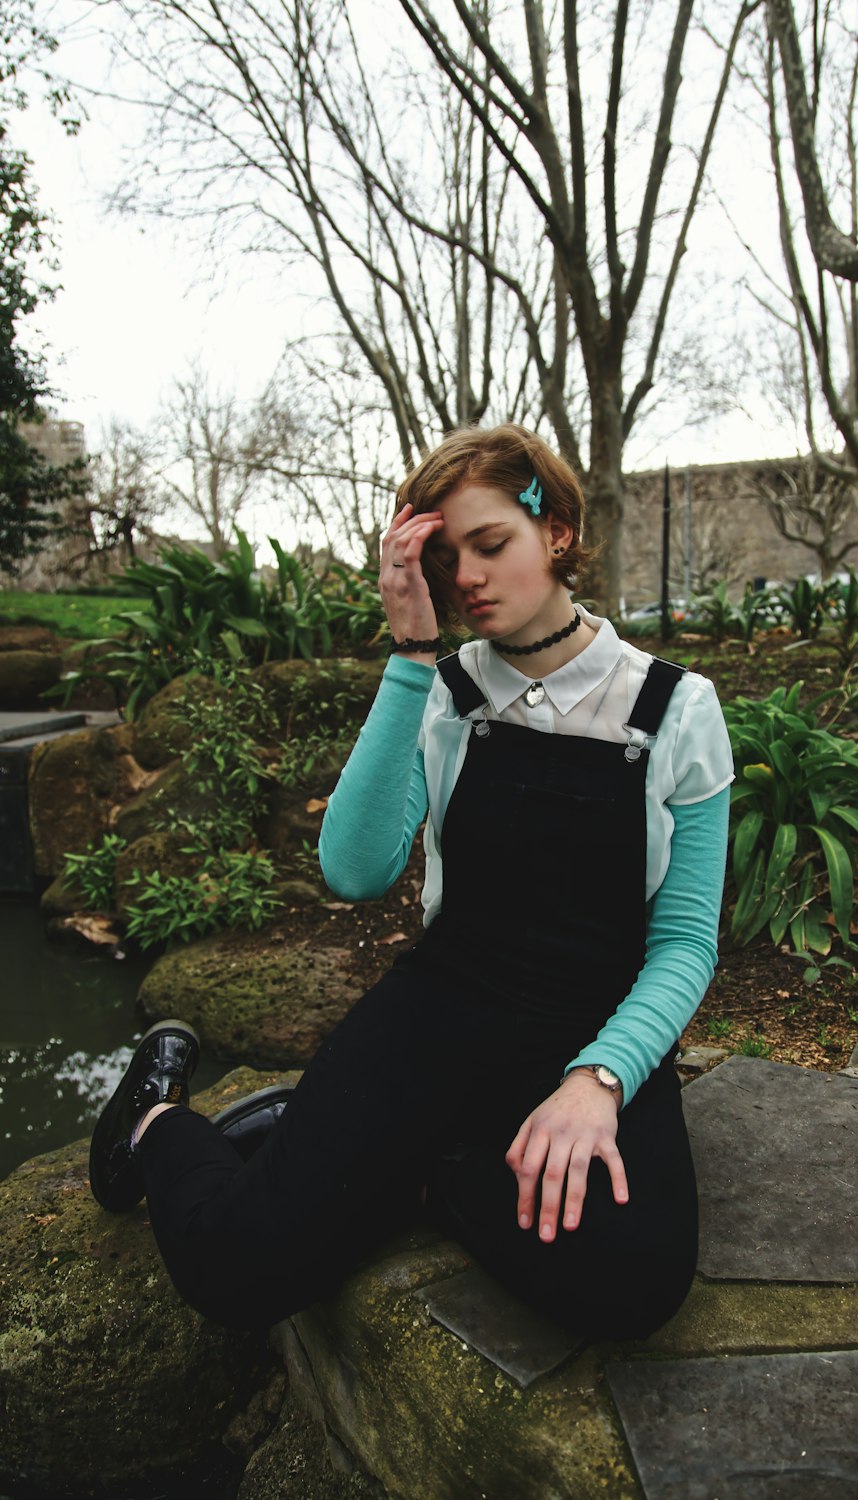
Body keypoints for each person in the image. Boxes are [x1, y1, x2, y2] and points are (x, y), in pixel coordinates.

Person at [89, 423, 733, 1340]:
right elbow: (355, 870)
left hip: (591, 1028)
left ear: (554, 533)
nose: (466, 576)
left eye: (490, 543)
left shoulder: (673, 706)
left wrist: (600, 1078)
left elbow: (685, 944)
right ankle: (157, 1117)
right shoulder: (446, 689)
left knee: (635, 1285)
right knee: (236, 1267)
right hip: (442, 1007)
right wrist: (407, 657)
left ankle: (424, 1170)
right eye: (445, 555)